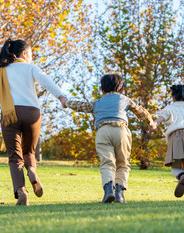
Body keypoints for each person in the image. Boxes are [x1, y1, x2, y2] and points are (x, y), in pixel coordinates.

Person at [0, 39, 68, 206]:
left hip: (10, 115)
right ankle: (32, 171)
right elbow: (46, 81)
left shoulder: (0, 74)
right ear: (24, 54)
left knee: (15, 158)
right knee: (29, 152)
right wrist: (61, 96)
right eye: (31, 54)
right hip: (32, 113)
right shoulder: (30, 68)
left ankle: (22, 192)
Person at [63, 73, 155, 204]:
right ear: (122, 89)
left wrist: (67, 103)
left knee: (107, 163)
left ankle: (108, 190)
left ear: (102, 90)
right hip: (121, 130)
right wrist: (151, 122)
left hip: (103, 131)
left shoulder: (97, 102)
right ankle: (119, 194)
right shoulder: (125, 100)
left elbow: (81, 105)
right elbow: (140, 111)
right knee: (123, 163)